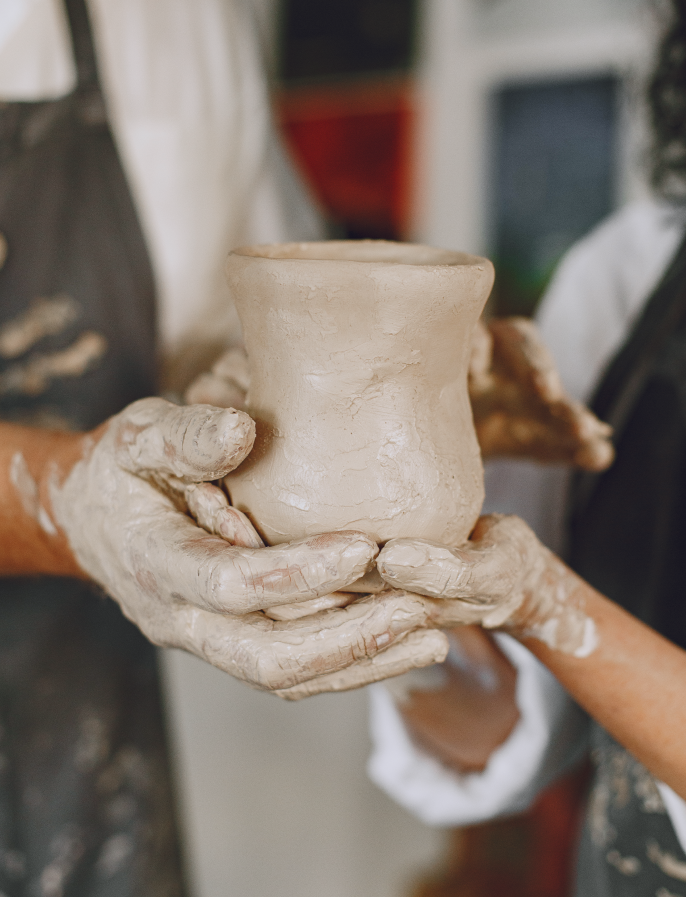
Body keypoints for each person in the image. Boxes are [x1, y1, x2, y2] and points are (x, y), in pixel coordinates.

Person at [0, 1, 615, 894]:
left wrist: (408, 374)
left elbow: (249, 318)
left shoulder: (177, 23)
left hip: (87, 742)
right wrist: (62, 500)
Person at [367, 2, 686, 895]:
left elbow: (554, 614)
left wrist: (545, 601)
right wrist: (427, 556)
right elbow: (492, 731)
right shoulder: (628, 273)